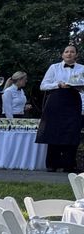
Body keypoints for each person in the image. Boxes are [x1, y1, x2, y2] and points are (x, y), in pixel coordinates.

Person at [38, 43, 83, 174]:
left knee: (72, 132)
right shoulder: (54, 67)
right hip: (56, 101)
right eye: (67, 51)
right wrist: (58, 84)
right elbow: (43, 85)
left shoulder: (82, 68)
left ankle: (69, 165)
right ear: (62, 54)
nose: (69, 54)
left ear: (76, 55)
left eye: (72, 52)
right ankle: (52, 164)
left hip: (73, 101)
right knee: (54, 131)